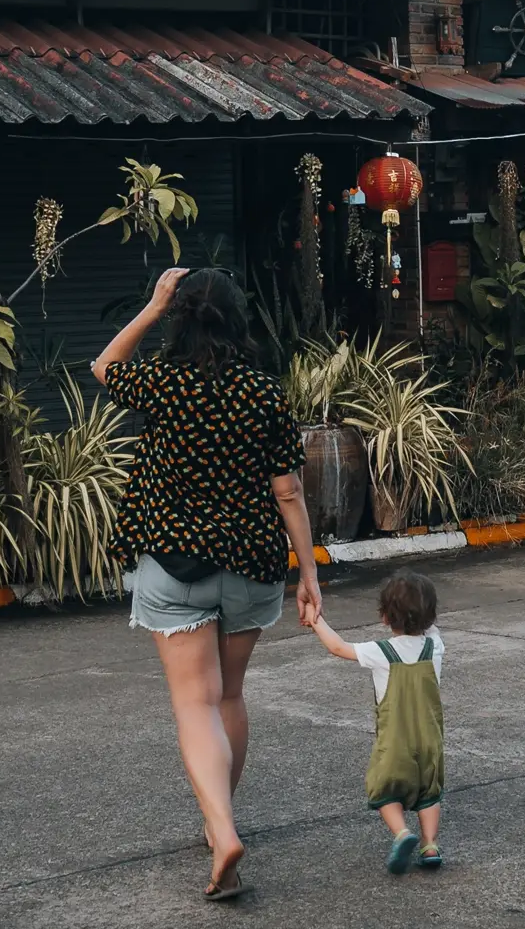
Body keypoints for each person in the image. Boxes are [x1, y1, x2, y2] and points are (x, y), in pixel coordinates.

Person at [92, 266, 321, 902]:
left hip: (174, 564)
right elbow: (288, 490)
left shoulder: (162, 382)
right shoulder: (263, 391)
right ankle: (218, 820)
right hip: (250, 564)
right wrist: (308, 573)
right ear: (240, 317)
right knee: (230, 697)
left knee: (195, 702)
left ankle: (222, 832)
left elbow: (104, 366)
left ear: (182, 318)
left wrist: (151, 305)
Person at [308, 571, 446, 874]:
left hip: (394, 744)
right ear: (430, 616)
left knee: (384, 790)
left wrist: (316, 620)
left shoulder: (379, 652)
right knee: (429, 793)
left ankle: (401, 833)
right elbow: (430, 627)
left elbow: (338, 646)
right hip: (429, 741)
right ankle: (430, 844)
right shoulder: (434, 647)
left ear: (385, 617)